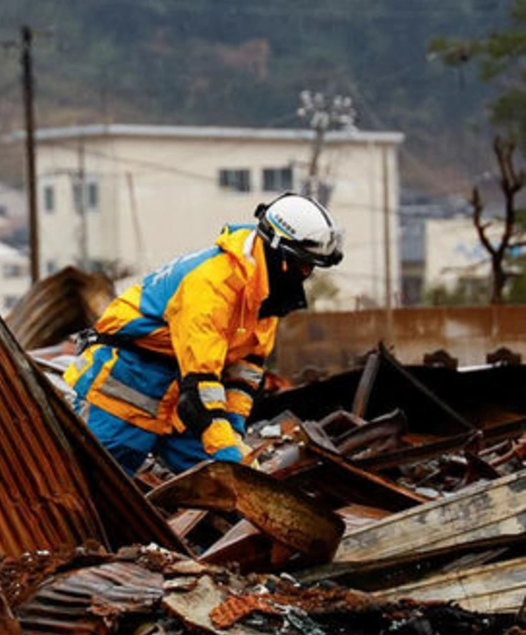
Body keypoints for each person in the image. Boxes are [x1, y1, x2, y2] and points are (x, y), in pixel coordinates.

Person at [64, 192, 344, 475]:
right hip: (127, 382)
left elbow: (244, 374)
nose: (307, 273)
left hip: (180, 392)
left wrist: (233, 438)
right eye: (303, 264)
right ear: (277, 251)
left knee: (217, 479)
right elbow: (200, 390)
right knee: (97, 484)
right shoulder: (212, 285)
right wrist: (231, 456)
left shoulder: (266, 296)